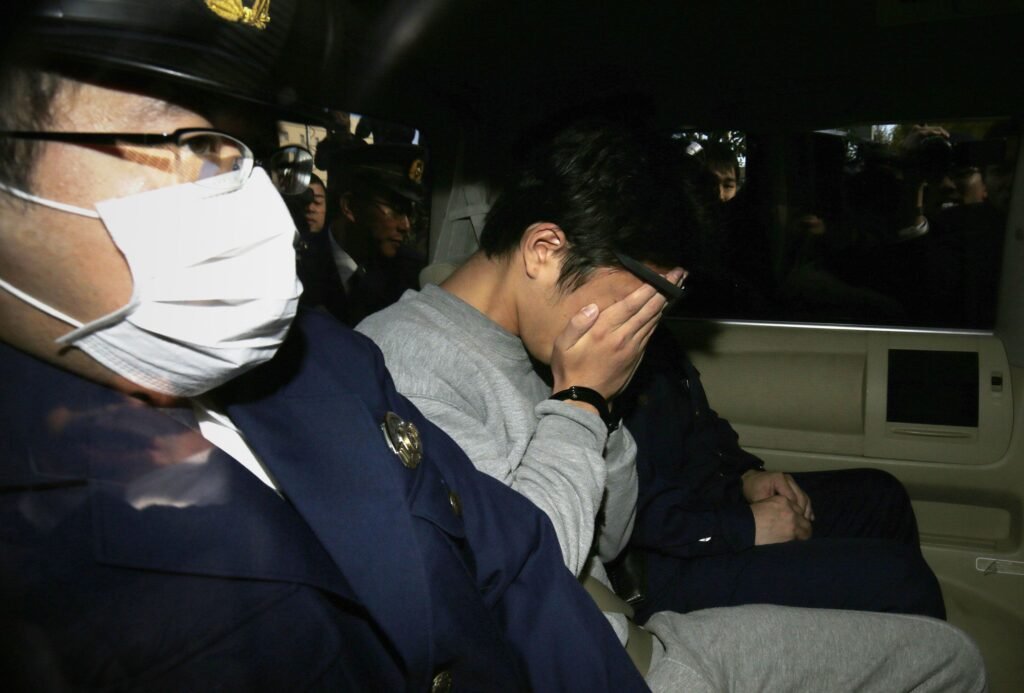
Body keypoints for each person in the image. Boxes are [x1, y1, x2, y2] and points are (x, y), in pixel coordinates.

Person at [0, 2, 655, 689]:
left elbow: (517, 563)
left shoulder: (327, 360)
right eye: (185, 141)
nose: (248, 200)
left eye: (255, 150)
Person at [357, 119, 987, 691]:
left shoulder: (538, 340)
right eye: (644, 294)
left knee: (947, 654)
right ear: (545, 250)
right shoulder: (403, 366)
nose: (647, 323)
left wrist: (600, 409)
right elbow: (516, 581)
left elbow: (611, 534)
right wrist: (581, 401)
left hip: (625, 635)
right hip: (592, 663)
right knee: (942, 659)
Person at [615, 327, 946, 621]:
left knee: (881, 497)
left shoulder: (654, 336)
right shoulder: (597, 357)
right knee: (903, 580)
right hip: (656, 570)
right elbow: (623, 510)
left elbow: (701, 427)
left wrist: (746, 476)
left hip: (702, 509)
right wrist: (745, 527)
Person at [299, 143, 425, 325]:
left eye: (409, 213)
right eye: (396, 209)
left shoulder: (409, 273)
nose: (405, 225)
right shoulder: (298, 265)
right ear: (349, 206)